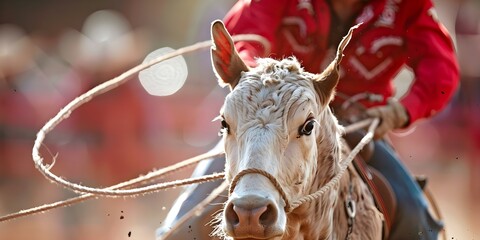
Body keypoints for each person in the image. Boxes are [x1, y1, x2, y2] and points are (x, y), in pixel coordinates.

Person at [157, 0, 459, 239]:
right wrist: (257, 78)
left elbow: (441, 70)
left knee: (416, 219)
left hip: (361, 124)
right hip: (267, 122)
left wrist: (400, 111)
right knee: (180, 226)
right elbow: (245, 36)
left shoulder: (408, 5)